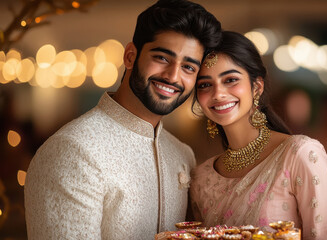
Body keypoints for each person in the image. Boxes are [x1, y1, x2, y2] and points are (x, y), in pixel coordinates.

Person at [24, 0, 222, 239]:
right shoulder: (72, 150)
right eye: (162, 58)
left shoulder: (181, 154)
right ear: (130, 56)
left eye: (189, 68)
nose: (173, 76)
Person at [190, 31, 327, 239]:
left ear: (256, 87)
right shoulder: (201, 178)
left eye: (230, 79)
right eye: (205, 84)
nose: (218, 93)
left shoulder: (299, 154)